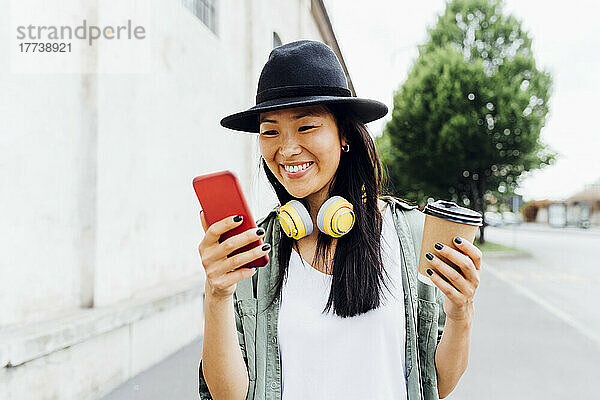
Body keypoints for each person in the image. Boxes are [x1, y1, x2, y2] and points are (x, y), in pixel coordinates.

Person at [197, 40, 483, 400]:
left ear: (343, 134)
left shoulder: (410, 236)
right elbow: (229, 396)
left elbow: (436, 384)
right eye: (270, 131)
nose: (286, 149)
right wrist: (216, 295)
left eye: (306, 127)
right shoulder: (251, 253)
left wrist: (461, 312)